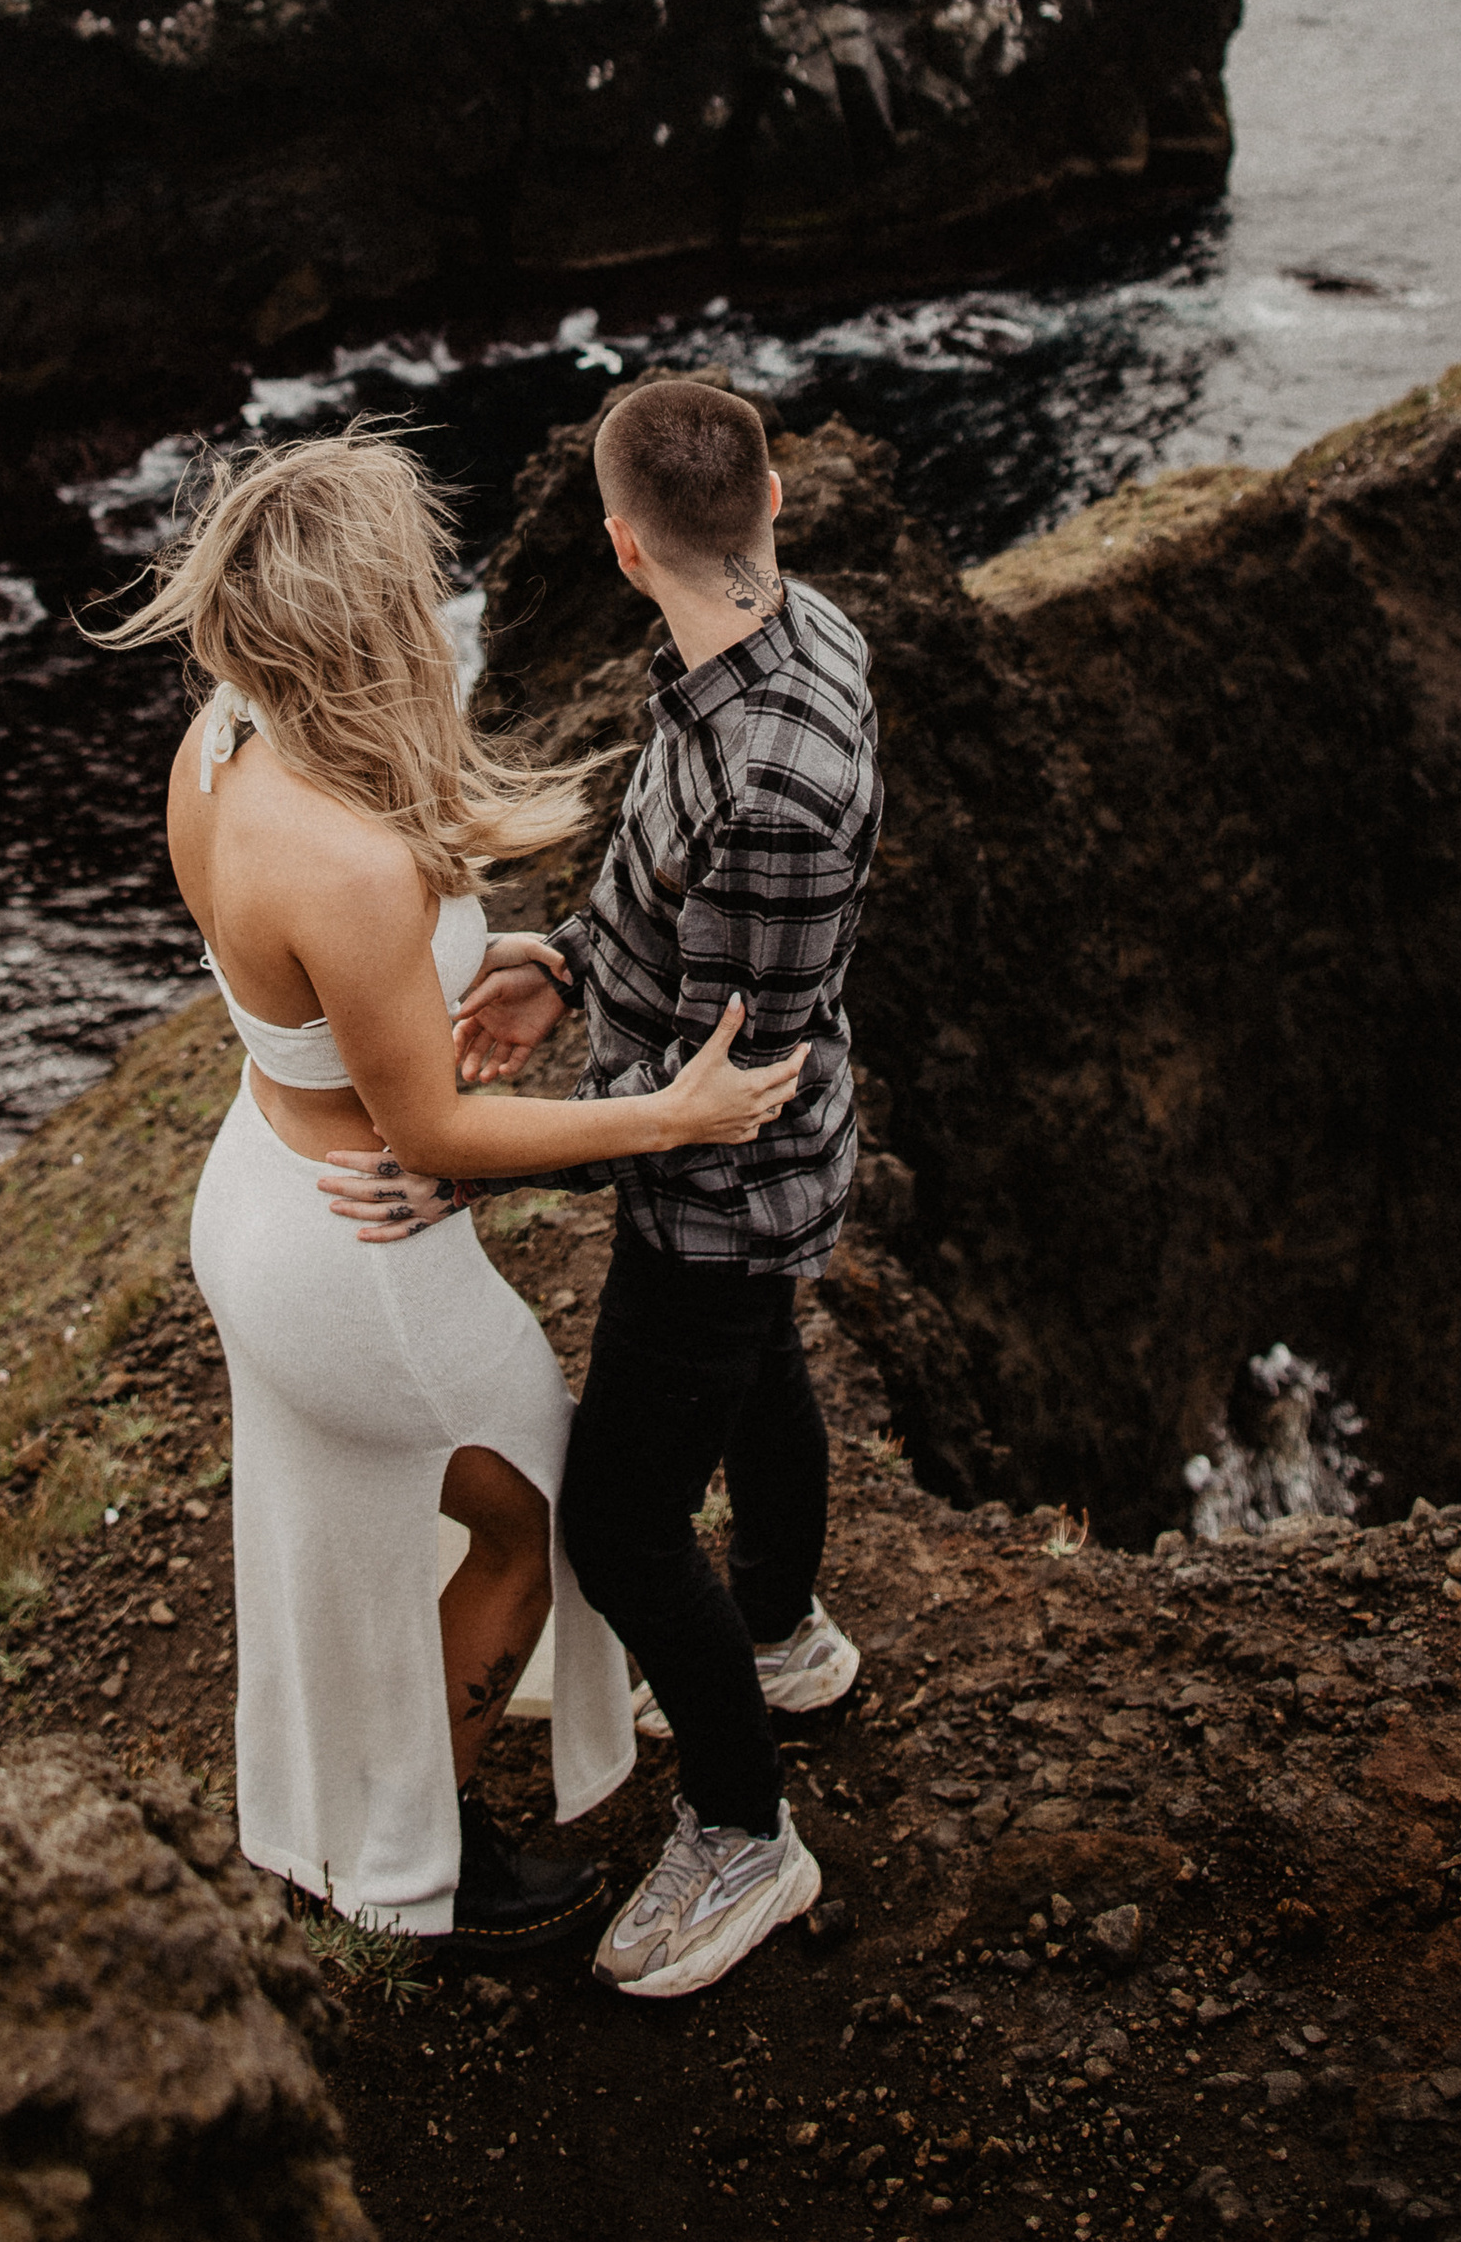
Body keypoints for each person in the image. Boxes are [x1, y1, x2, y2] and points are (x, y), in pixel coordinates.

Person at [99, 424, 808, 1961]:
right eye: (415, 592)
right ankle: (426, 1862)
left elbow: (302, 1007)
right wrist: (663, 1115)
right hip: (360, 1244)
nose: (439, 609)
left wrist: (497, 969)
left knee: (381, 1512)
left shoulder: (222, 742)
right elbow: (432, 1136)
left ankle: (365, 1803)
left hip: (266, 1177)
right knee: (537, 1517)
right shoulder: (349, 860)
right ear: (362, 626)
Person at [320, 374, 883, 1999]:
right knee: (768, 1377)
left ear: (624, 543)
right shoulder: (782, 642)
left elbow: (732, 1087)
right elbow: (670, 895)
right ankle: (781, 1637)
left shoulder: (776, 781)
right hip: (724, 1160)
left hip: (722, 1194)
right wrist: (564, 964)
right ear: (769, 502)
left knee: (622, 1523)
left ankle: (743, 1834)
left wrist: (476, 1172)